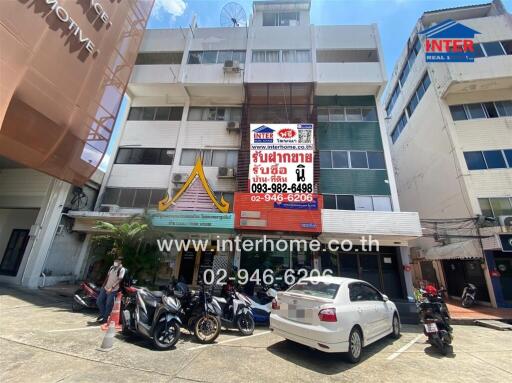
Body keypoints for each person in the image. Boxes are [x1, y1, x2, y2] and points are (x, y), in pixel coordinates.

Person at [96, 256, 126, 324]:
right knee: (99, 301)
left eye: (117, 260)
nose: (115, 261)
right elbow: (107, 276)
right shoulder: (112, 267)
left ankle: (105, 319)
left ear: (120, 261)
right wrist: (103, 285)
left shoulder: (122, 269)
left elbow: (119, 280)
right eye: (115, 260)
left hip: (113, 289)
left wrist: (111, 288)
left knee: (108, 304)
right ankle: (103, 314)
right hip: (105, 287)